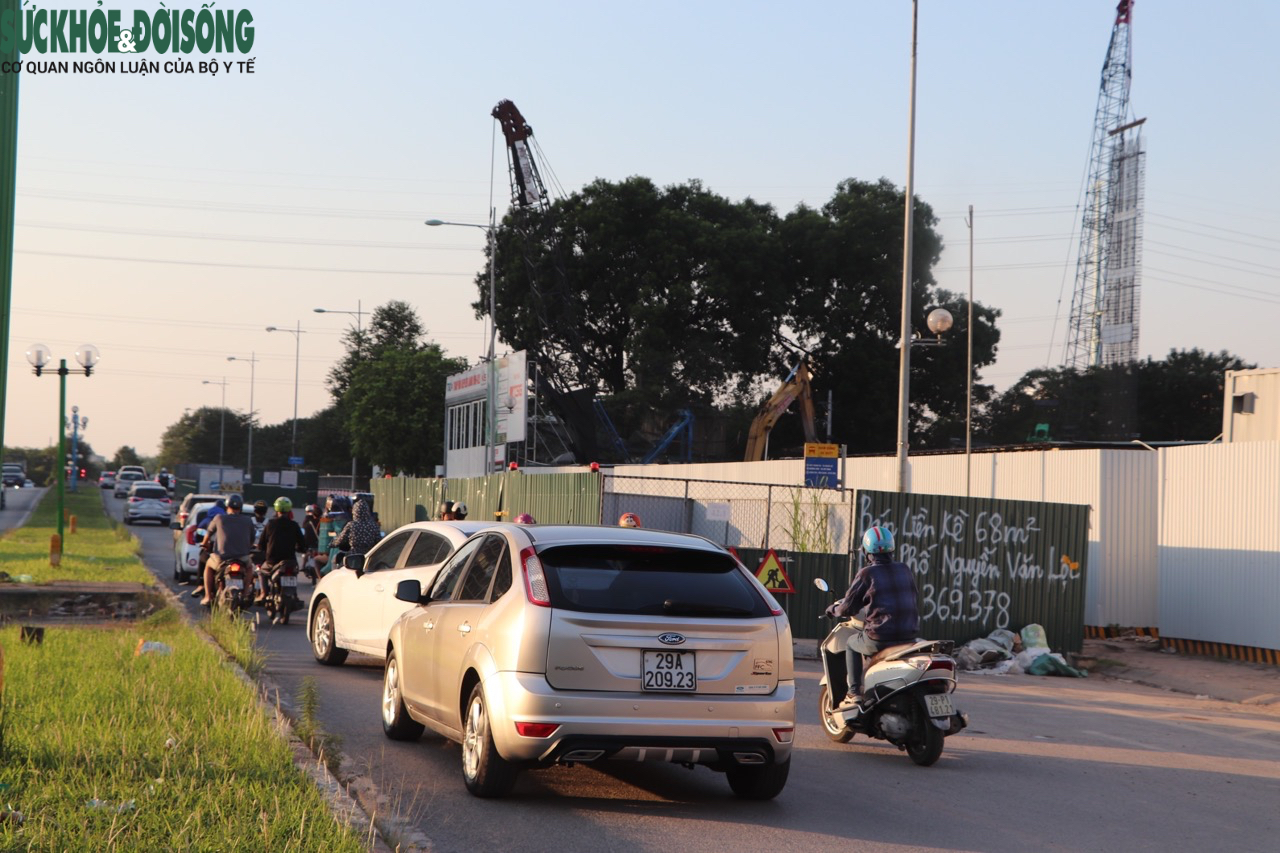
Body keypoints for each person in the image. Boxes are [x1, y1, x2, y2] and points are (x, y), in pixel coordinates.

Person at [824, 525, 920, 709]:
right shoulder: (904, 569)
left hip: (881, 637)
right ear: (892, 548)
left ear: (867, 552)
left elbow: (848, 608)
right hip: (909, 637)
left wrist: (833, 609)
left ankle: (853, 693)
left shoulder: (867, 574)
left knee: (852, 643)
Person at [198, 494, 257, 606]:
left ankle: (208, 596)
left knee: (208, 567)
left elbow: (208, 534)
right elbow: (252, 539)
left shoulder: (219, 518)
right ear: (241, 507)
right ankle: (244, 594)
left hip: (221, 558)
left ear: (227, 506)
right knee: (249, 568)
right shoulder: (248, 520)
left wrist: (204, 544)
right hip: (242, 558)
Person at [255, 496, 307, 603]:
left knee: (261, 572)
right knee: (294, 573)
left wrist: (263, 549)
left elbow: (261, 544)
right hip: (290, 561)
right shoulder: (294, 525)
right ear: (289, 510)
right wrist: (301, 549)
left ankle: (264, 593)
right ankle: (294, 594)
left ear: (276, 510)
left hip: (272, 562)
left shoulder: (270, 524)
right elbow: (302, 545)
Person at [301, 503, 325, 580]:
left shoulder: (308, 523)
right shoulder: (324, 523)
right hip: (320, 545)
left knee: (307, 554)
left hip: (310, 545)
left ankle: (303, 566)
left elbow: (304, 533)